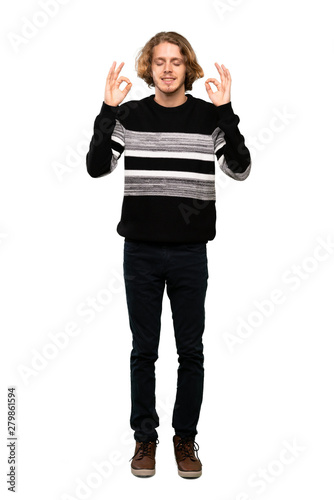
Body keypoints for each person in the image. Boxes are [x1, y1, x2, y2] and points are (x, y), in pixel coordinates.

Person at [86, 31, 251, 479]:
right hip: (139, 251)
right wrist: (106, 110)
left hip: (189, 254)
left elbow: (240, 169)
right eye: (159, 61)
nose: (167, 68)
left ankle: (184, 438)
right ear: (149, 67)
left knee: (190, 351)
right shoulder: (131, 115)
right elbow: (97, 166)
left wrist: (227, 112)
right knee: (144, 350)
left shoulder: (208, 118)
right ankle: (145, 439)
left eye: (176, 61)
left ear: (188, 68)